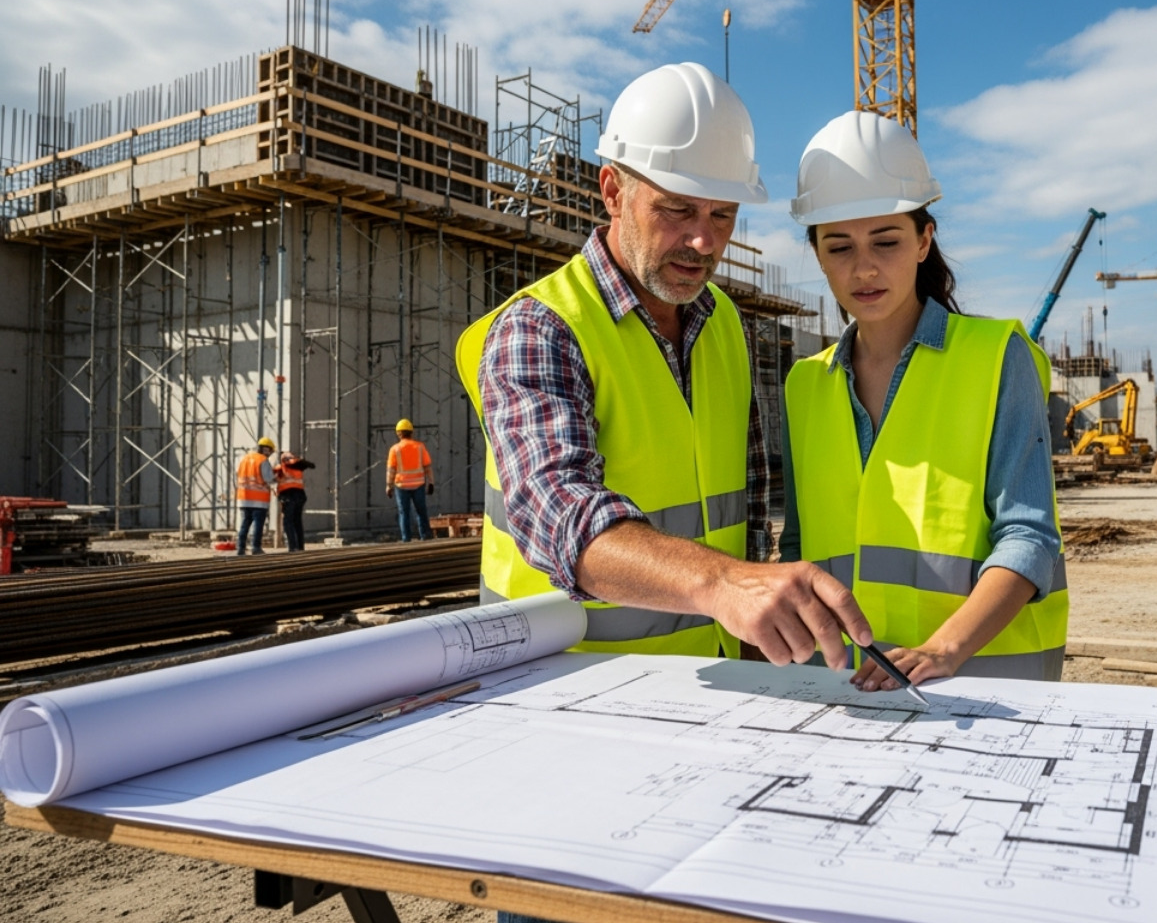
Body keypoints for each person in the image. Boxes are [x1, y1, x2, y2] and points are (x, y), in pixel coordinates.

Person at [457, 62, 873, 667]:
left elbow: (748, 507)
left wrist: (754, 641)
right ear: (612, 192)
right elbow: (559, 512)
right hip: (561, 683)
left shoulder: (724, 322)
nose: (704, 241)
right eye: (677, 209)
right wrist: (725, 584)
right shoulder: (541, 328)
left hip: (709, 678)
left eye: (722, 214)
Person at [780, 110, 1068, 689]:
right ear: (817, 255)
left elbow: (1029, 537)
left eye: (886, 241)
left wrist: (942, 649)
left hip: (979, 691)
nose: (864, 268)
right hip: (844, 690)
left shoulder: (996, 358)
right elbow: (797, 547)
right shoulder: (804, 385)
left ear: (923, 241)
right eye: (839, 248)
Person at [386, 419, 434, 541]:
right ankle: (425, 536)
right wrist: (431, 482)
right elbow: (427, 466)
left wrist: (389, 486)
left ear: (398, 433)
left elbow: (391, 470)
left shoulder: (395, 449)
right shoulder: (420, 447)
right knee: (421, 511)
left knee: (404, 513)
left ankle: (406, 539)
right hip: (418, 485)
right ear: (411, 432)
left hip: (401, 486)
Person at [235, 438, 276, 556]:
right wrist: (276, 478)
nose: (270, 454)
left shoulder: (244, 459)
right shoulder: (262, 460)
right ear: (266, 449)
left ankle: (241, 548)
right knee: (258, 525)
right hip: (259, 500)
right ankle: (256, 547)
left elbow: (237, 474)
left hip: (243, 498)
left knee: (244, 524)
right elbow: (268, 478)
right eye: (270, 451)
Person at [275, 451, 315, 551]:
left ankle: (293, 547)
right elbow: (311, 465)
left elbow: (270, 474)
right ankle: (300, 547)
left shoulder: (282, 467)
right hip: (300, 495)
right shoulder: (299, 466)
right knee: (297, 522)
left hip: (289, 496)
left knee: (288, 522)